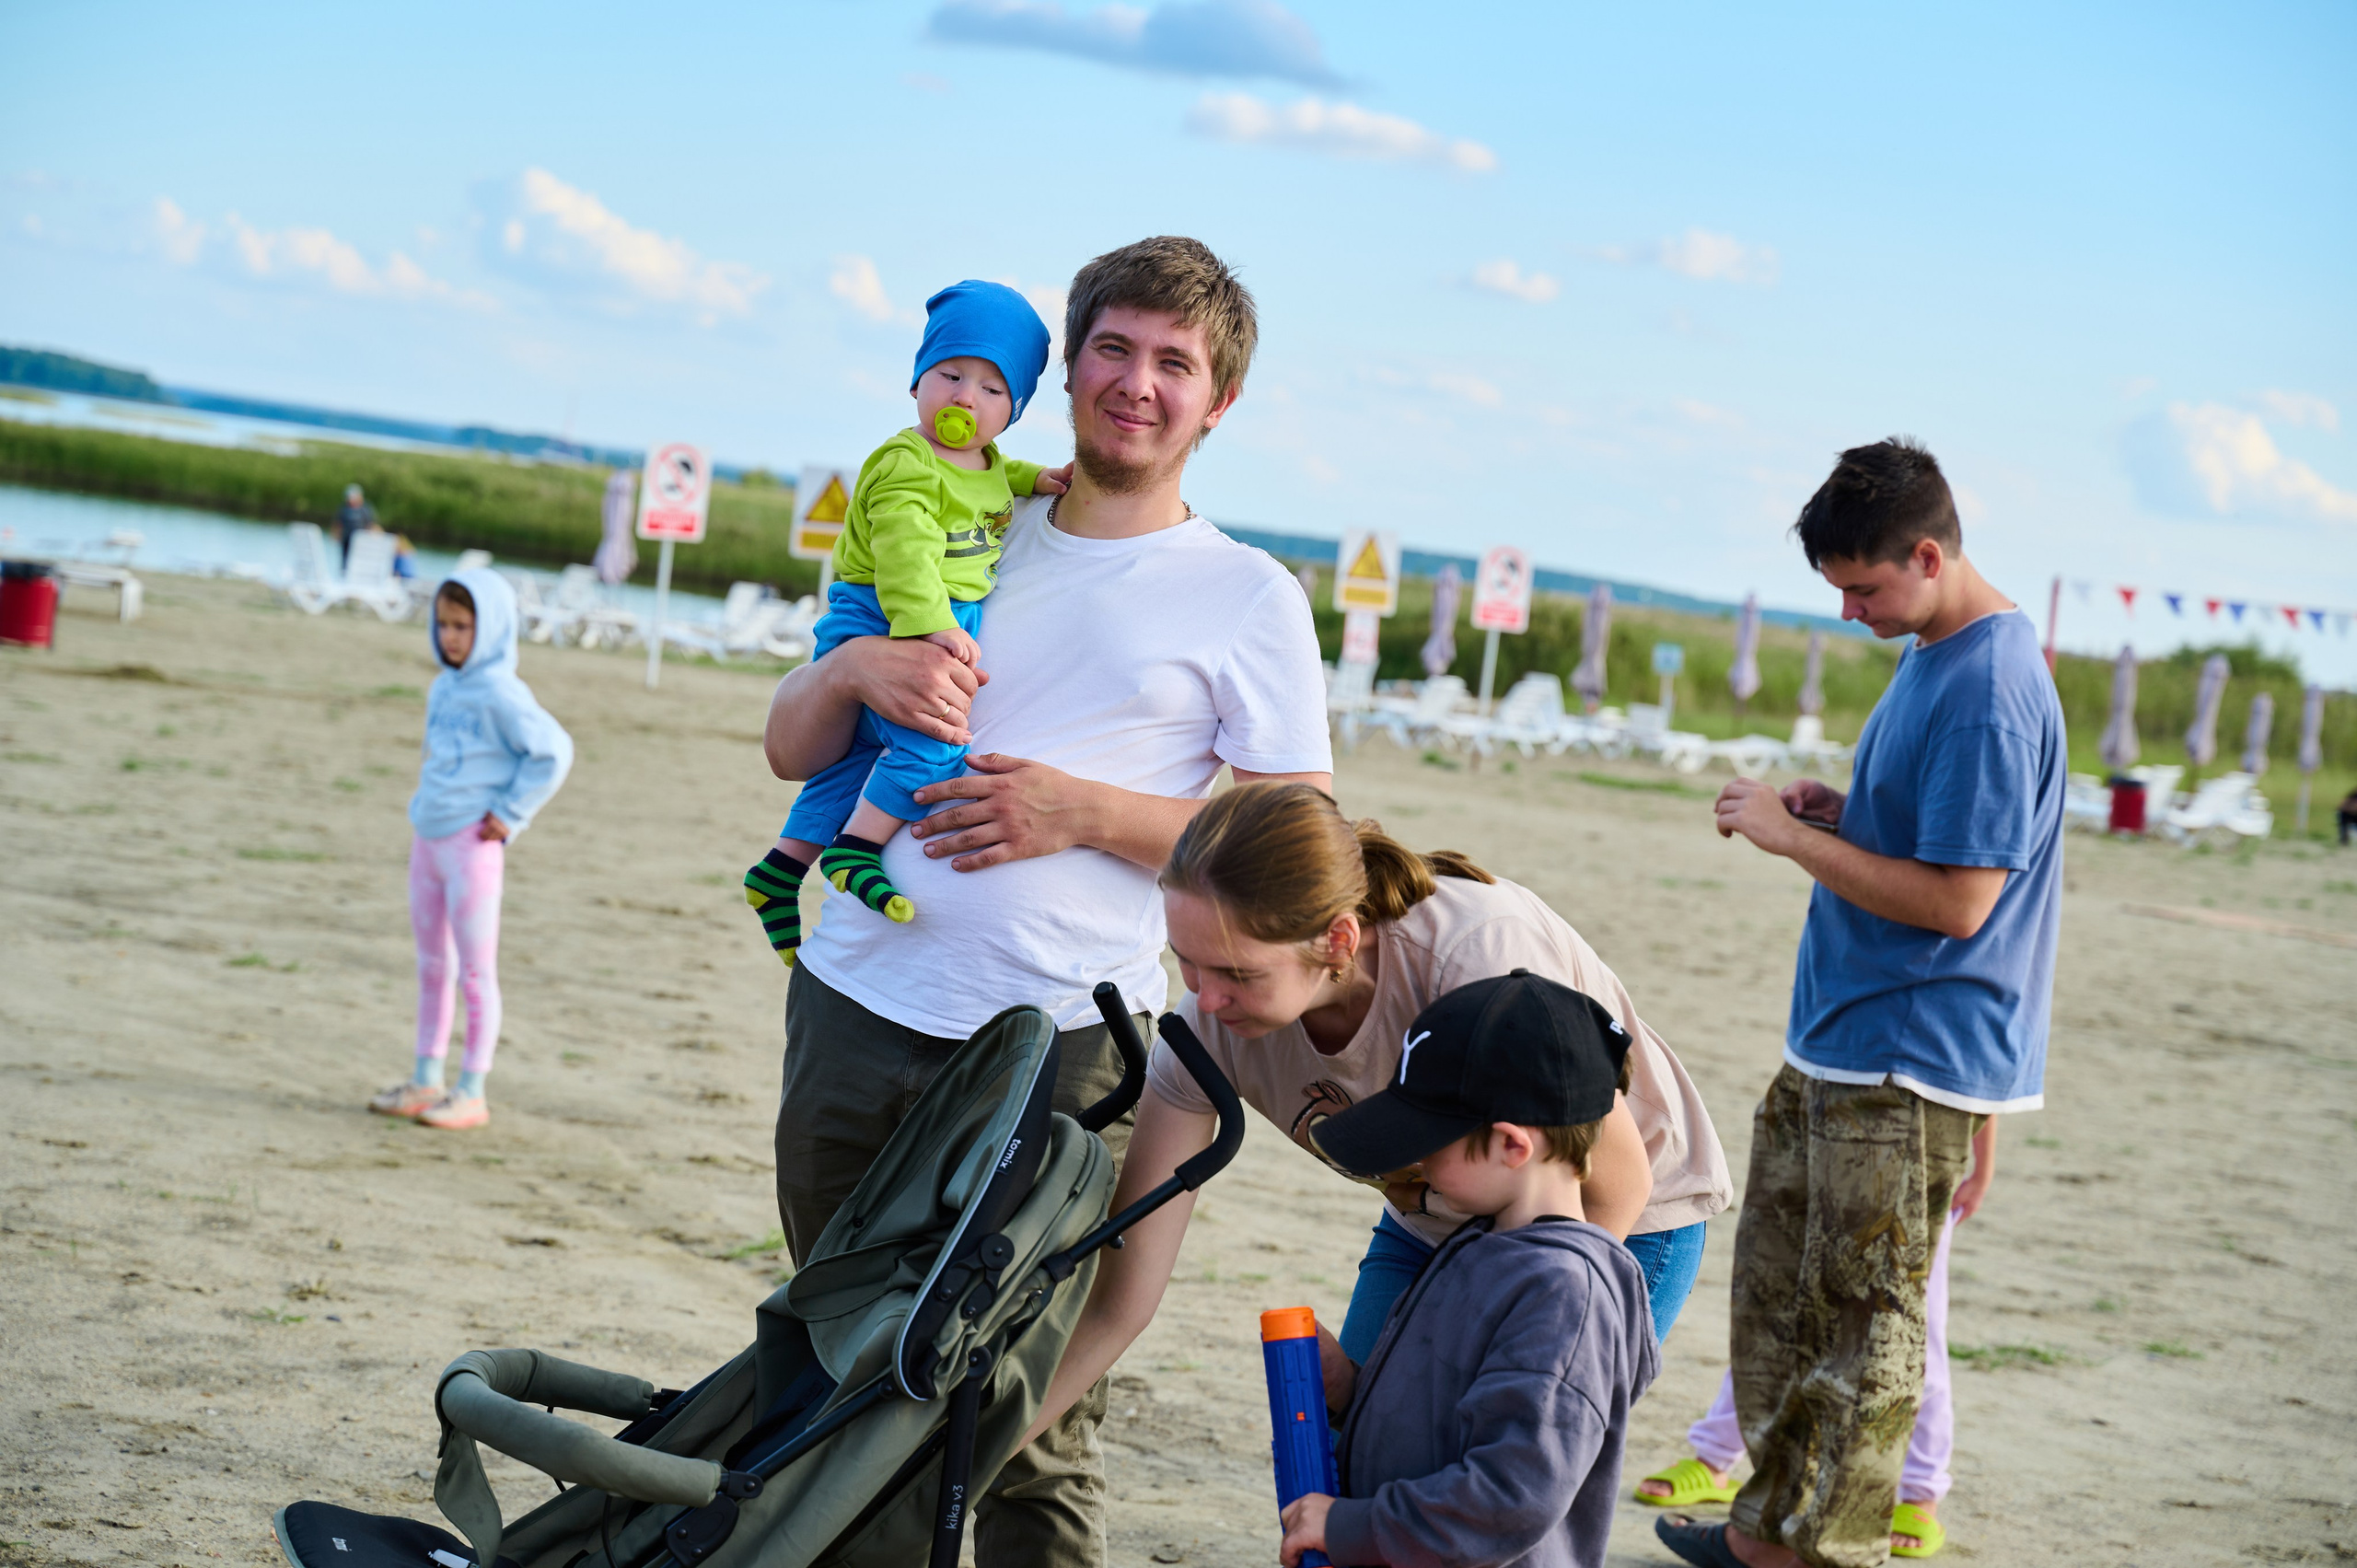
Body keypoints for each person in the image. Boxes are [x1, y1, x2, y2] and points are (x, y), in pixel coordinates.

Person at [757, 236, 1332, 1567]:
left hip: (1067, 1044)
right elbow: (792, 744)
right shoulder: (959, 509)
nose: (1137, 382)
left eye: (1173, 364)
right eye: (1114, 349)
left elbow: (1299, 846)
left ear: (1217, 402)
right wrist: (860, 675)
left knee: (1020, 1400)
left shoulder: (1248, 593)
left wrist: (1084, 811)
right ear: (1068, 367)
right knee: (834, 1347)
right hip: (851, 995)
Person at [1018, 782, 1728, 1461]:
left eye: (1237, 972)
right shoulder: (1203, 1029)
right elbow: (1120, 1300)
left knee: (1484, 1459)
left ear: (1337, 939)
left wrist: (1477, 1362)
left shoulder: (1476, 957)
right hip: (1439, 1210)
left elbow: (1613, 1186)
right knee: (1355, 1448)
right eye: (1188, 964)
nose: (1206, 1000)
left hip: (1616, 1212)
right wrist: (988, 1448)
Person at [1659, 439, 2064, 1568]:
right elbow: (1942, 850)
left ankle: (1813, 1549)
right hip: (1854, 1041)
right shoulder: (1940, 649)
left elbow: (1960, 903)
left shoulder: (1987, 686)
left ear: (1929, 554)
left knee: (1862, 1326)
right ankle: (1770, 1532)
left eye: (1863, 586)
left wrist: (1791, 841)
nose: (1847, 611)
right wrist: (1844, 813)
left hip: (1906, 1054)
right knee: (1786, 1308)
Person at [1272, 971, 1660, 1568]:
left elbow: (1512, 1494)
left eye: (1433, 1139)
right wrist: (1349, 1388)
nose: (1418, 1158)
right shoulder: (1481, 1242)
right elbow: (1444, 1416)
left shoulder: (1564, 1292)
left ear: (1512, 1145)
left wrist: (1357, 1525)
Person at [743, 280, 1067, 963]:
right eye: (950, 375)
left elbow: (1001, 474)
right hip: (893, 611)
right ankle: (855, 849)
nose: (965, 398)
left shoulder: (984, 461)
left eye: (992, 390)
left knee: (861, 753)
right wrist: (929, 626)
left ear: (1012, 411)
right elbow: (906, 550)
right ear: (918, 379)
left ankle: (780, 867)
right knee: (936, 737)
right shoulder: (905, 464)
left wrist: (1039, 480)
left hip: (934, 612)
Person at [1637, 1120, 1997, 1560]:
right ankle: (1717, 1454)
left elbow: (1993, 1068)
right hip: (1822, 1123)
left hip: (1909, 1145)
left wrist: (1984, 1167)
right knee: (1778, 1315)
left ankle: (1919, 1492)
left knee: (1910, 1332)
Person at [369, 570, 573, 1131]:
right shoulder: (443, 686)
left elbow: (553, 752)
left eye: (463, 625)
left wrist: (509, 814)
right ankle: (424, 1078)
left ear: (491, 628)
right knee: (432, 964)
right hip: (428, 840)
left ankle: (472, 1090)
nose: (451, 636)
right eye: (443, 624)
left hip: (471, 848)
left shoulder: (503, 692)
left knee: (475, 972)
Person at [335, 483, 377, 566]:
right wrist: (337, 536)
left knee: (359, 563)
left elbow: (371, 525)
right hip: (346, 540)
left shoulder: (365, 509)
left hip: (361, 542)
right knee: (345, 562)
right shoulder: (344, 508)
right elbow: (338, 524)